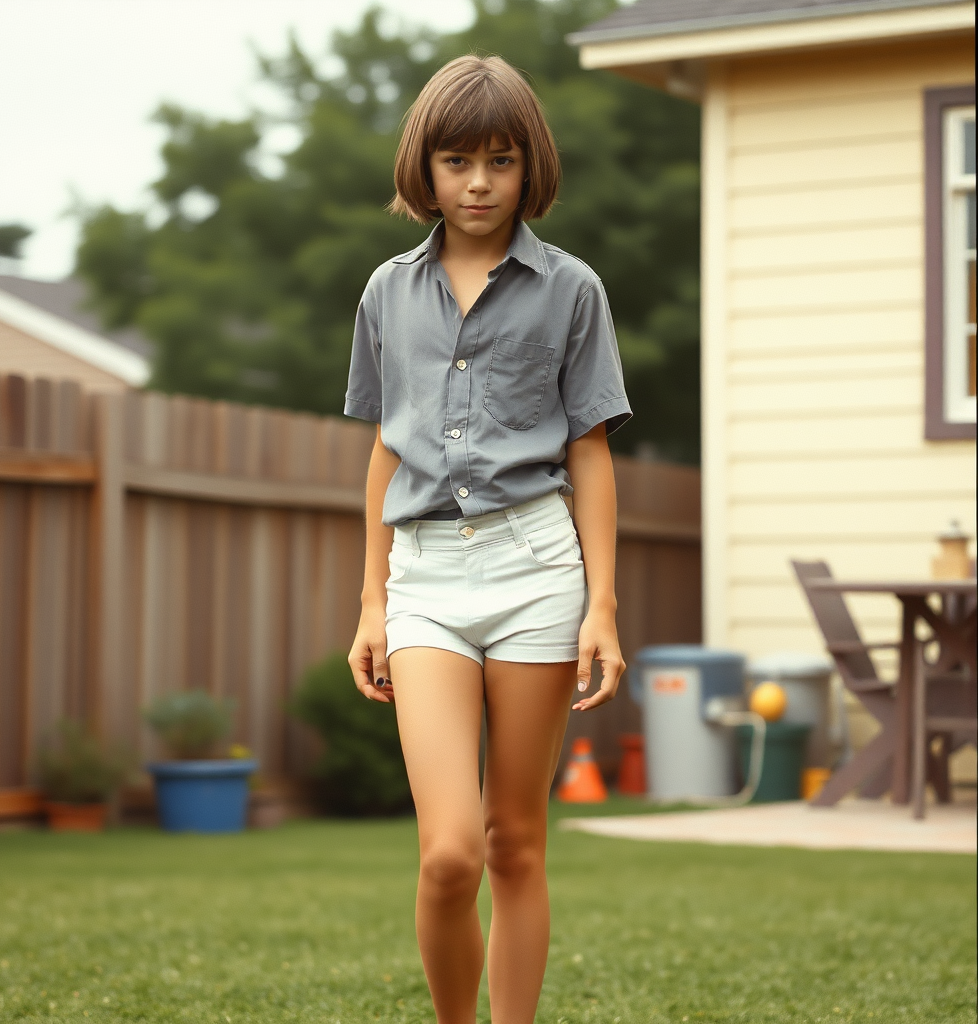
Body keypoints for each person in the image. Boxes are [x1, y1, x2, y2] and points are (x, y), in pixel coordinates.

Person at [345, 54, 631, 1024]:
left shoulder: (572, 291)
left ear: (529, 166)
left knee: (515, 842)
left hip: (537, 570)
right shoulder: (386, 293)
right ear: (423, 167)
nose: (477, 182)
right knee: (449, 851)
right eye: (456, 160)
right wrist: (371, 602)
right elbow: (387, 449)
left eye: (500, 160)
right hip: (424, 576)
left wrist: (601, 603)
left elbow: (588, 451)